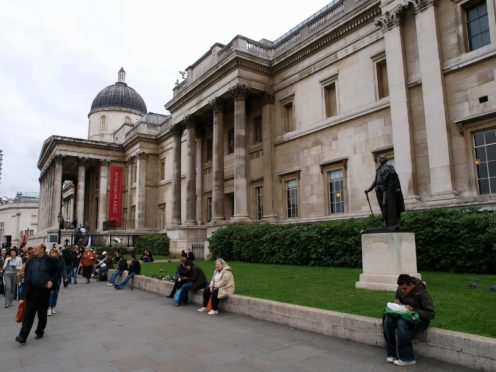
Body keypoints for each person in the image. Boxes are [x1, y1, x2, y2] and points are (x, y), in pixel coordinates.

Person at [383, 274, 435, 366]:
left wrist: (414, 310)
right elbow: (397, 301)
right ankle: (392, 354)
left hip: (420, 321)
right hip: (404, 316)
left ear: (411, 285)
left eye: (405, 289)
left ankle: (407, 358)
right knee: (388, 319)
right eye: (400, 288)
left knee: (401, 323)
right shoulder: (401, 289)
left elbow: (430, 313)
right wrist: (396, 303)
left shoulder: (422, 293)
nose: (402, 291)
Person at [16, 243, 57, 344]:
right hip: (31, 291)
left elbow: (57, 271)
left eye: (36, 248)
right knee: (28, 314)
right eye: (33, 248)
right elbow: (26, 277)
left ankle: (40, 331)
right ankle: (22, 336)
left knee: (42, 313)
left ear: (42, 249)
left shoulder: (50, 260)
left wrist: (51, 281)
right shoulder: (30, 261)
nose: (33, 250)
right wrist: (23, 295)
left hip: (43, 291)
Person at [364, 154, 405, 228]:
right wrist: (369, 189)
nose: (380, 159)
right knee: (382, 206)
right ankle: (385, 222)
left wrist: (396, 189)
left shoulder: (389, 168)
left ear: (385, 159)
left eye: (382, 158)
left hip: (386, 190)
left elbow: (395, 180)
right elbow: (375, 181)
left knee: (386, 205)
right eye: (380, 158)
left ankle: (392, 222)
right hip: (378, 190)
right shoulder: (378, 169)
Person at [47, 247, 66, 316]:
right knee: (51, 293)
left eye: (54, 253)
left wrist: (65, 278)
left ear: (57, 253)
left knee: (55, 293)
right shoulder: (48, 260)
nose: (52, 254)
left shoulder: (60, 259)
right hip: (50, 278)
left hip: (58, 278)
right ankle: (49, 307)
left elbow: (64, 268)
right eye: (51, 253)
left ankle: (53, 306)